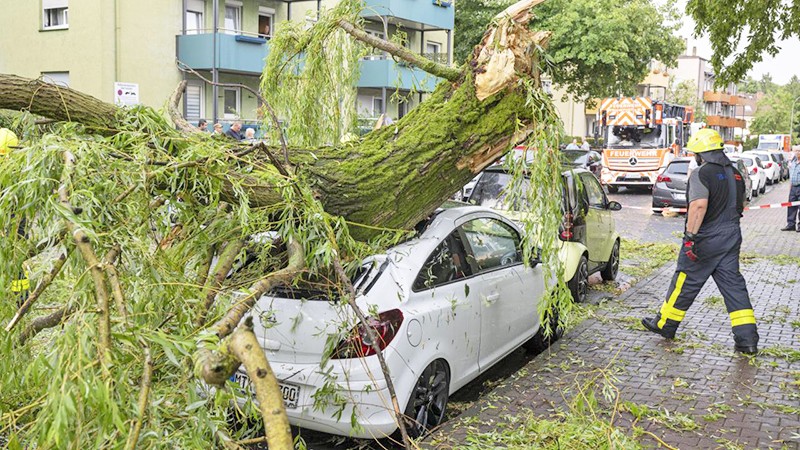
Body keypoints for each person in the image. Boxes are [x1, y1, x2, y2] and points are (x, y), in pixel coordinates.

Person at [641, 129, 759, 355]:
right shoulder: (735, 174)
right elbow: (741, 204)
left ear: (701, 153)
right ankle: (747, 340)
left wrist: (690, 238)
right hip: (731, 236)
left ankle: (665, 324)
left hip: (705, 239)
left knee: (684, 280)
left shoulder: (701, 173)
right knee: (734, 287)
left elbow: (698, 206)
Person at [781, 148, 800, 232]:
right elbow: (791, 175)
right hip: (793, 187)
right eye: (796, 151)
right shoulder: (793, 162)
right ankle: (791, 224)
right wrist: (790, 188)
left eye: (799, 151)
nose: (797, 152)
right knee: (791, 206)